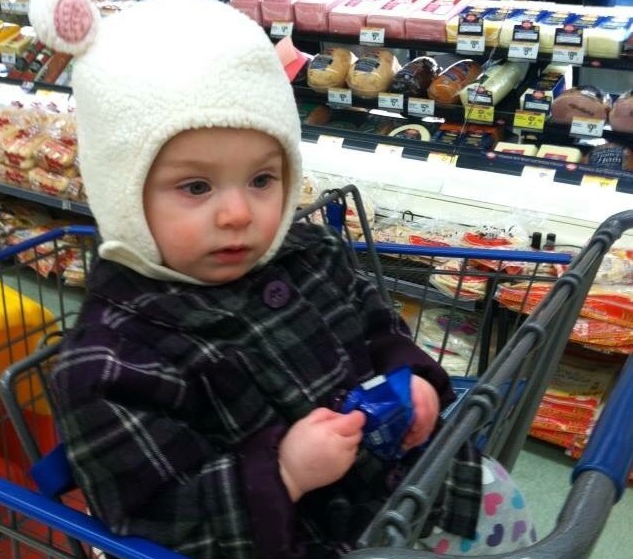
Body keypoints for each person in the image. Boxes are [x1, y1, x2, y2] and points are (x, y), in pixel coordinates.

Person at [30, 0, 536, 557]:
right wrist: (285, 471)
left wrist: (410, 375)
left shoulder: (311, 253)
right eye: (196, 187)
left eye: (263, 179)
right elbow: (158, 515)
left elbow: (378, 330)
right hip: (318, 537)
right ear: (121, 193)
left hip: (426, 493)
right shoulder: (108, 363)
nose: (238, 214)